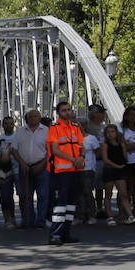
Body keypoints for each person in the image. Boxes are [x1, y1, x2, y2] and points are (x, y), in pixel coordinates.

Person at [46, 100, 85, 246]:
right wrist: (73, 159)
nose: (67, 112)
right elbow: (55, 150)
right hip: (61, 171)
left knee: (71, 204)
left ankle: (66, 233)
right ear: (58, 113)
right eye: (64, 110)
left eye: (69, 109)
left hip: (75, 169)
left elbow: (82, 145)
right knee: (60, 204)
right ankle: (55, 235)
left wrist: (81, 157)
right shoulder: (54, 128)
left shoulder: (75, 128)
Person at [11, 109, 50, 228]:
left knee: (43, 195)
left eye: (36, 116)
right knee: (25, 195)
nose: (33, 118)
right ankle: (28, 220)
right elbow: (14, 150)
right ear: (26, 118)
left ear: (39, 118)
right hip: (24, 167)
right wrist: (22, 163)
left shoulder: (46, 131)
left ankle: (41, 221)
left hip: (42, 167)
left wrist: (42, 164)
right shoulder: (20, 131)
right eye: (31, 116)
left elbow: (50, 151)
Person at [100, 125, 133, 224]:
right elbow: (105, 159)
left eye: (112, 132)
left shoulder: (121, 144)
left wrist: (122, 164)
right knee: (108, 193)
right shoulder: (105, 145)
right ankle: (110, 216)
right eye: (108, 132)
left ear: (116, 133)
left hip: (120, 170)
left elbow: (125, 157)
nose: (110, 134)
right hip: (110, 169)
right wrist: (117, 166)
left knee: (124, 194)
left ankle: (130, 215)